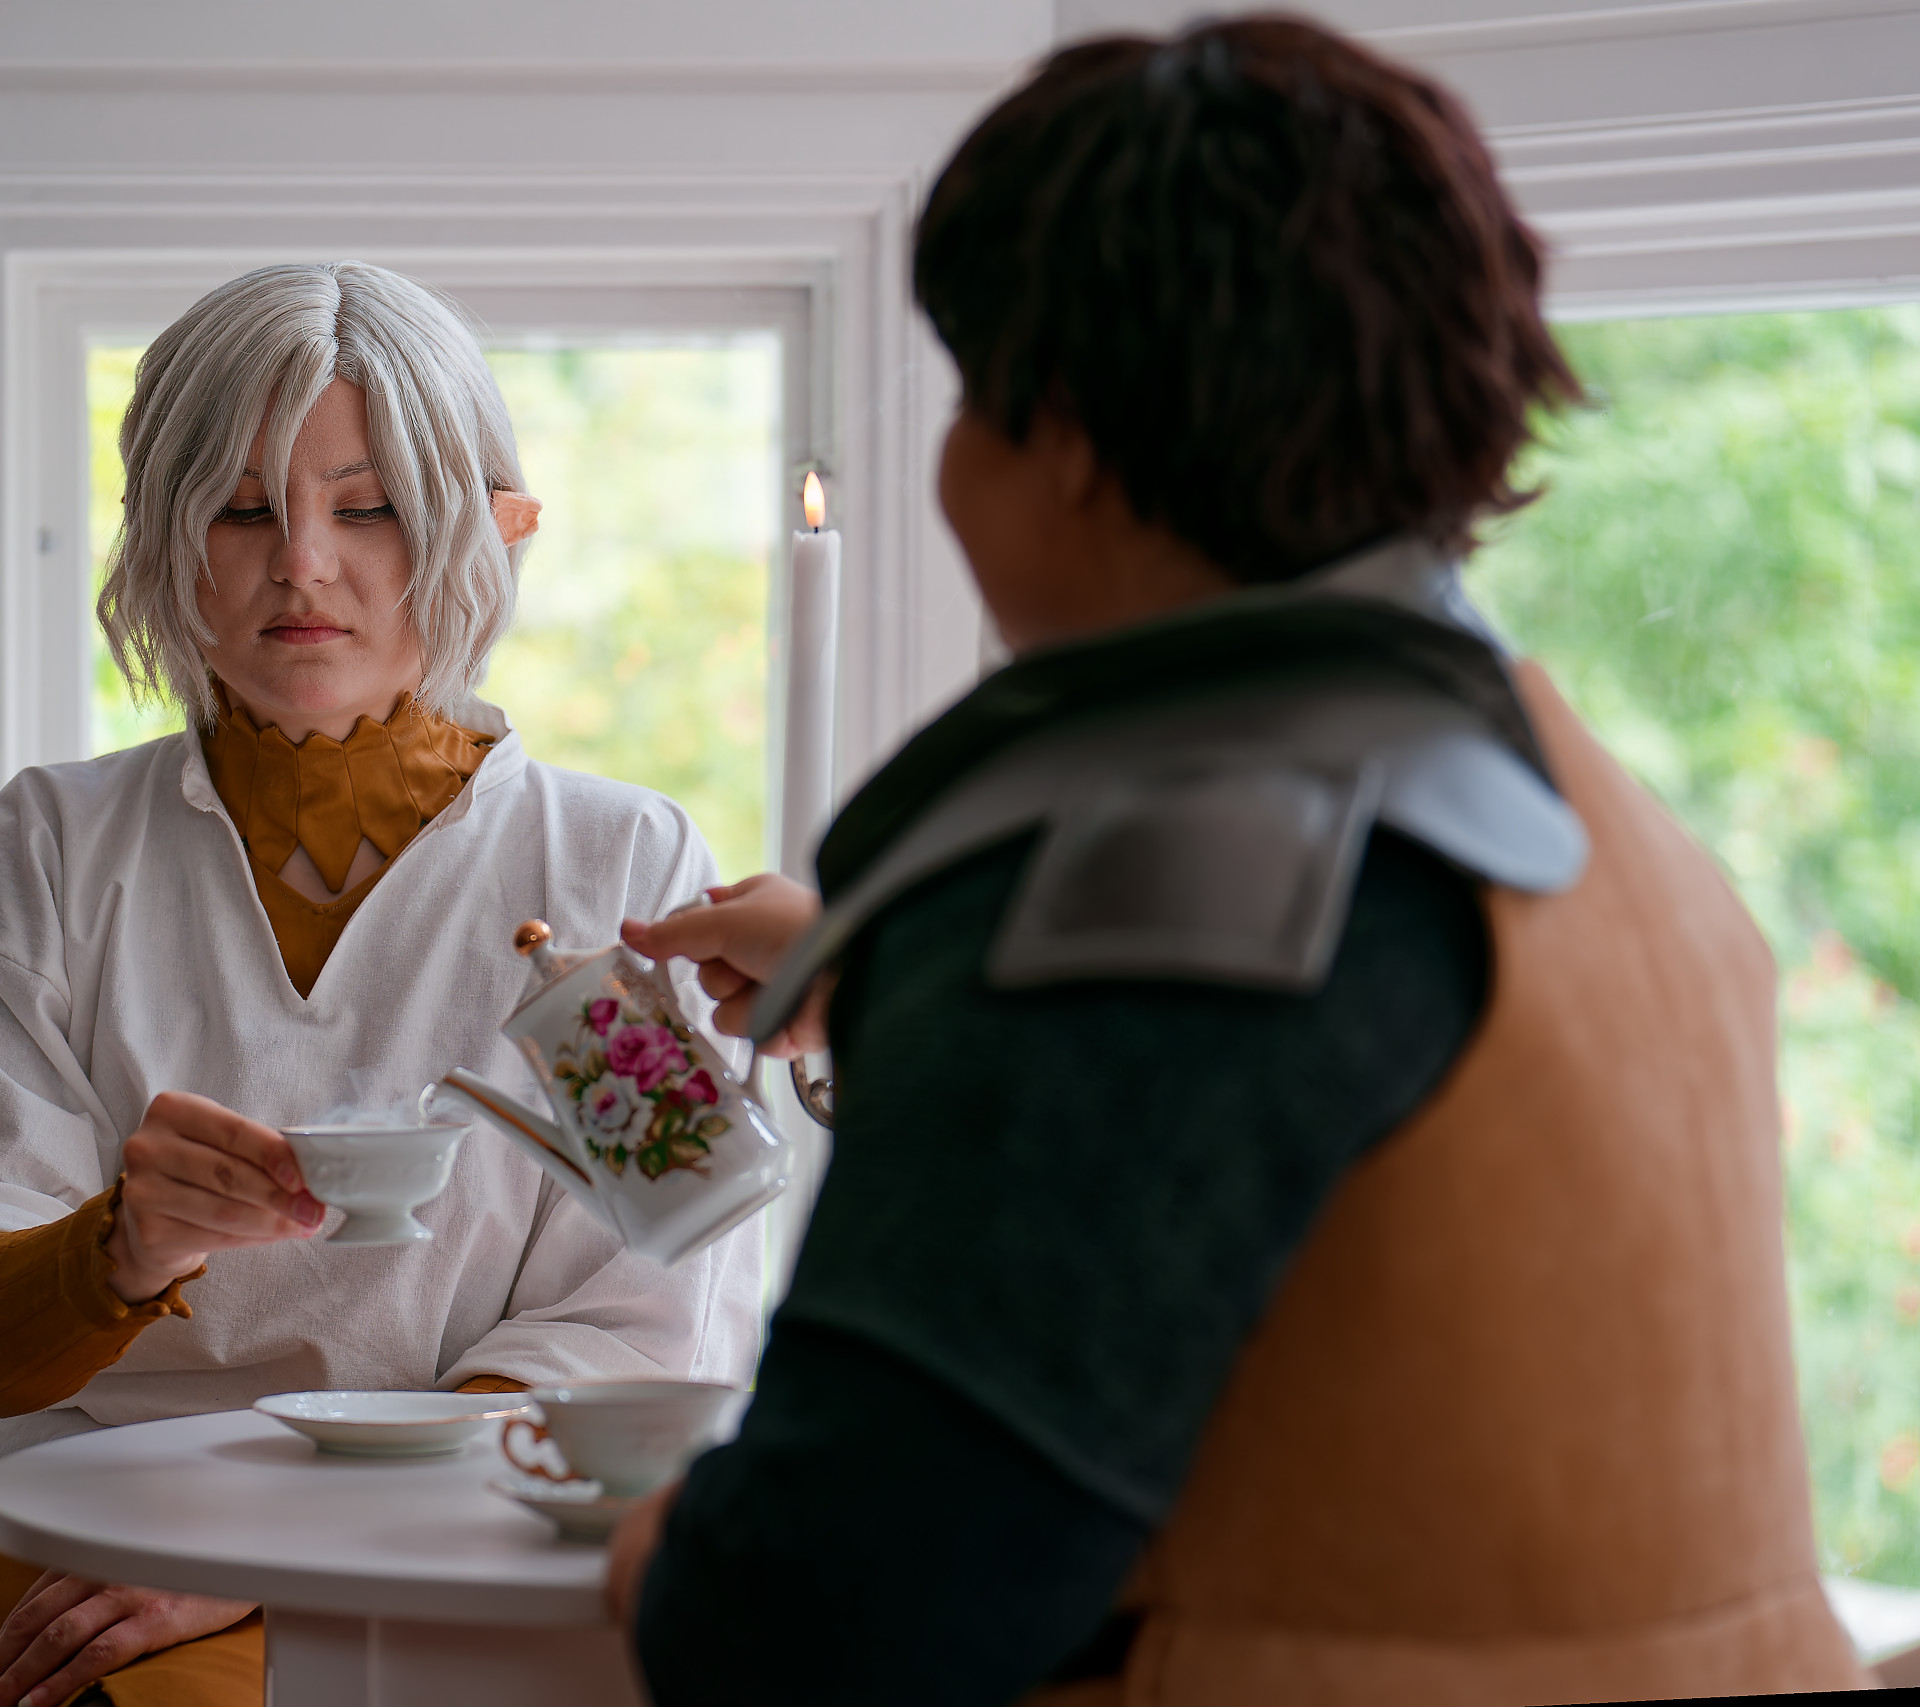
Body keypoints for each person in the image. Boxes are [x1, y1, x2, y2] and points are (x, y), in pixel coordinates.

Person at [604, 18, 1872, 1706]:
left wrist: (659, 1550)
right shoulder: (1594, 825)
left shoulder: (1172, 869)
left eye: (971, 394)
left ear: (1065, 428)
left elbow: (824, 1616)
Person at [0, 261, 761, 1707]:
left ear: (496, 529)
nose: (302, 563)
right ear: (162, 536)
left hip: (441, 1546)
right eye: (242, 507)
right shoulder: (41, 852)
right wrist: (117, 1251)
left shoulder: (616, 866)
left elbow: (643, 1329)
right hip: (38, 1524)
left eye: (368, 508)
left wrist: (285, 1542)